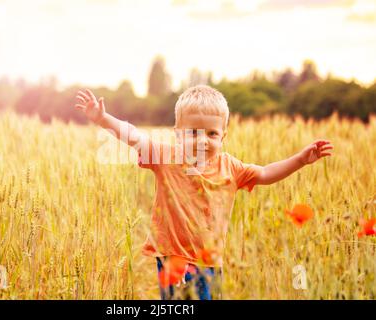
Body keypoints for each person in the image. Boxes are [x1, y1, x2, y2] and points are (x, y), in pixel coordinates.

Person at [74, 85, 333, 299]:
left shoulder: (231, 167)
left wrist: (300, 160)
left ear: (223, 137)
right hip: (173, 259)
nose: (202, 140)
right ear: (178, 135)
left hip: (210, 263)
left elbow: (265, 173)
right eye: (193, 133)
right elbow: (133, 136)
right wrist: (102, 119)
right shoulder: (166, 156)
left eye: (211, 133)